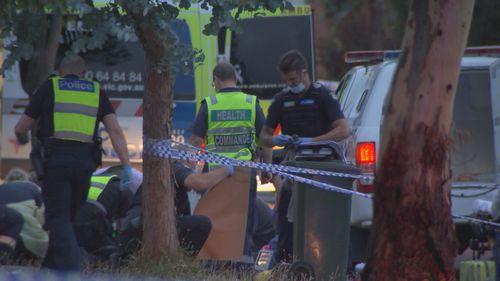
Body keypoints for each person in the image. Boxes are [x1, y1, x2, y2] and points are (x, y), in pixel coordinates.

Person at [14, 55, 132, 271]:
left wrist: (21, 138)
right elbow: (114, 130)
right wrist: (126, 166)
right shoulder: (96, 91)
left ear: (60, 71)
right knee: (68, 216)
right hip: (85, 164)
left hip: (56, 162)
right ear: (84, 72)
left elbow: (22, 127)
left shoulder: (51, 86)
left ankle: (70, 269)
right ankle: (50, 267)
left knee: (57, 217)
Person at [259, 49, 349, 262]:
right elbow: (264, 136)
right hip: (295, 169)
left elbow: (343, 129)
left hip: (322, 168)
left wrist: (313, 141)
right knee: (286, 221)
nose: (291, 84)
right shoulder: (282, 100)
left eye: (293, 79)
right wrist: (275, 141)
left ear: (303, 72)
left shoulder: (322, 96)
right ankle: (285, 265)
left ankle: (335, 266)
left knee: (327, 221)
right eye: (286, 80)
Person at [189, 62, 272, 259]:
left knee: (213, 217)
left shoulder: (210, 104)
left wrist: (192, 172)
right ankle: (240, 261)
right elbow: (265, 140)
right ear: (234, 79)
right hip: (245, 174)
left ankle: (214, 259)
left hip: (215, 176)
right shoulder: (251, 103)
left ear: (216, 80)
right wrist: (267, 169)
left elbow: (195, 140)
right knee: (244, 220)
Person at [119, 160, 234, 257]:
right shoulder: (174, 167)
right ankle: (182, 263)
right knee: (202, 224)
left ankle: (175, 262)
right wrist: (226, 170)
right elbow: (199, 183)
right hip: (138, 230)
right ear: (186, 161)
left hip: (137, 232)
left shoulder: (181, 197)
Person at [73, 166, 140, 260]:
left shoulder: (92, 178)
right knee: (109, 251)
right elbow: (128, 216)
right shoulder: (121, 186)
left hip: (71, 217)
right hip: (93, 218)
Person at [0, 181, 48, 262]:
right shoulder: (38, 191)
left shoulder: (19, 185)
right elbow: (41, 217)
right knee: (38, 239)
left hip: (4, 210)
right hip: (16, 213)